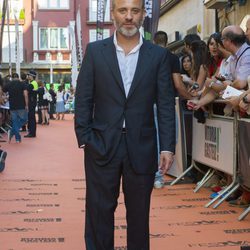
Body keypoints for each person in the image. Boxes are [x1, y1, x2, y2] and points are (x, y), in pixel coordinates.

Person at [74, 0, 176, 249]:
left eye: (135, 11)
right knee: (98, 213)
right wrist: (85, 136)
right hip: (101, 145)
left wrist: (167, 147)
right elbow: (83, 97)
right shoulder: (96, 51)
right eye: (123, 10)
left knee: (139, 217)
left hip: (141, 147)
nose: (129, 16)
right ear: (113, 14)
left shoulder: (159, 56)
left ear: (143, 14)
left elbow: (164, 104)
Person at [153, 31, 192, 189]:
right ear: (167, 41)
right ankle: (158, 176)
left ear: (154, 41)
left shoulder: (148, 57)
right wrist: (189, 96)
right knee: (169, 139)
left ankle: (153, 174)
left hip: (149, 103)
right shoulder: (172, 57)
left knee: (153, 139)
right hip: (166, 104)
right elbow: (177, 84)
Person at [3, 73, 28, 143]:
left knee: (15, 121)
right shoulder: (22, 84)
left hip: (12, 105)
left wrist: (4, 97)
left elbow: (2, 90)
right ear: (18, 77)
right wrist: (27, 105)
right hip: (21, 105)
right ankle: (12, 133)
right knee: (25, 119)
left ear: (13, 78)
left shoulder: (9, 84)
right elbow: (25, 95)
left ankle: (17, 138)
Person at [25, 70, 38, 138]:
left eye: (29, 75)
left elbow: (26, 90)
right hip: (33, 102)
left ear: (32, 76)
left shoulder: (32, 84)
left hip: (31, 102)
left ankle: (32, 133)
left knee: (31, 117)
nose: (28, 76)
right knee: (32, 117)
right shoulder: (34, 83)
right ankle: (32, 132)